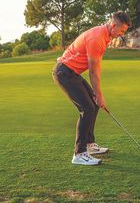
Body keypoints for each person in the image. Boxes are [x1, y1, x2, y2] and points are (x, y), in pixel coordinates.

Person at [52, 11, 131, 166]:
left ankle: (89, 144)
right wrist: (99, 95)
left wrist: (96, 94)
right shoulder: (98, 38)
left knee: (93, 105)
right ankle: (79, 153)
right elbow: (93, 72)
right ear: (113, 25)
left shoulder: (105, 35)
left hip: (71, 72)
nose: (121, 35)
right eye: (121, 31)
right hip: (64, 73)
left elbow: (94, 64)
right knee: (87, 108)